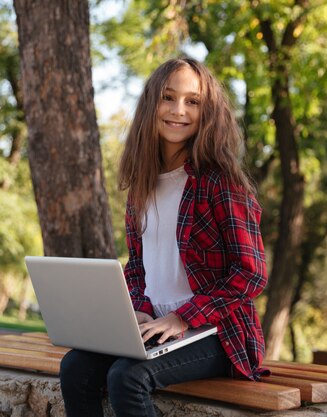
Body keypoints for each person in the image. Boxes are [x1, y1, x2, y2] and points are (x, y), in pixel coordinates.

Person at [59, 57, 268, 417]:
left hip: (217, 333)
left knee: (127, 377)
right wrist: (138, 309)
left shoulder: (221, 183)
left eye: (193, 102)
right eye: (168, 98)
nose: (178, 111)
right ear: (151, 104)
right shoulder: (141, 185)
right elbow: (138, 266)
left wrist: (183, 318)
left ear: (208, 112)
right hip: (156, 328)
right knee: (74, 368)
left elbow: (250, 274)